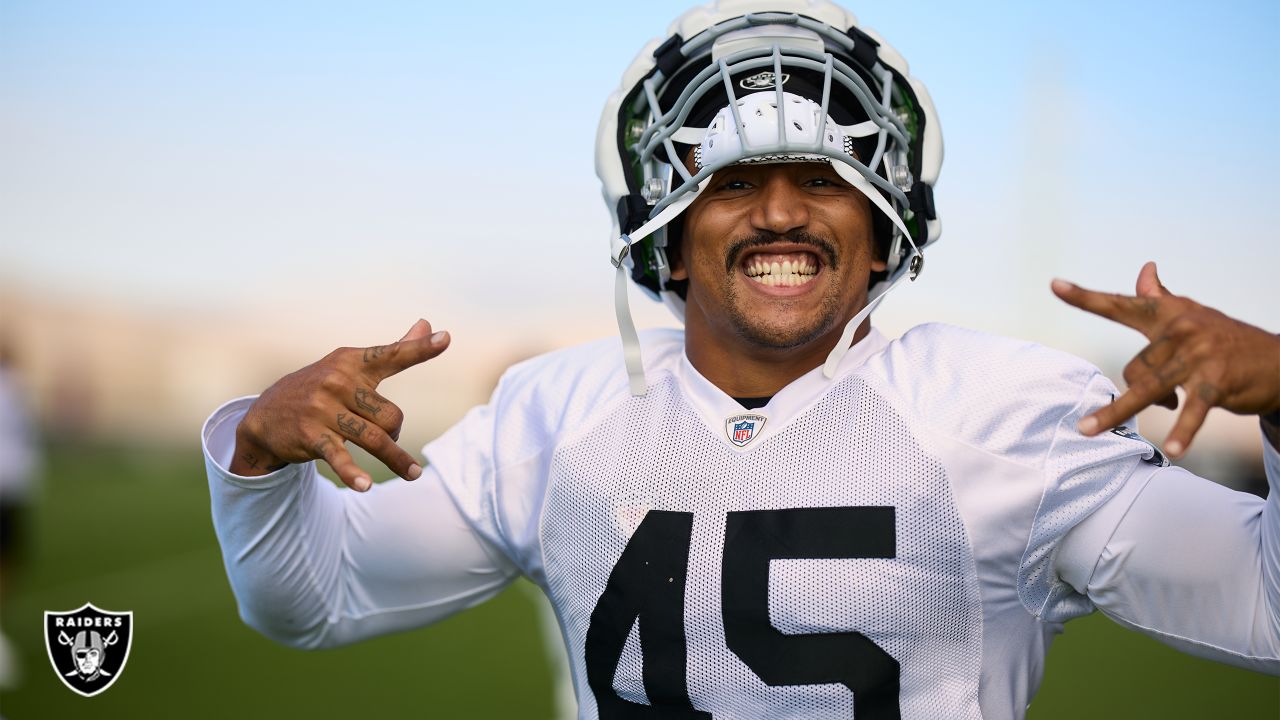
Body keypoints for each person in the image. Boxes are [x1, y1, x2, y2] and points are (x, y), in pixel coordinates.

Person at [202, 2, 1280, 718]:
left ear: (884, 226)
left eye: (820, 180)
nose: (776, 211)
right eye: (730, 182)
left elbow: (1264, 617)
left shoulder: (1008, 410)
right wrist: (258, 453)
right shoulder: (554, 413)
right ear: (662, 228)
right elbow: (308, 599)